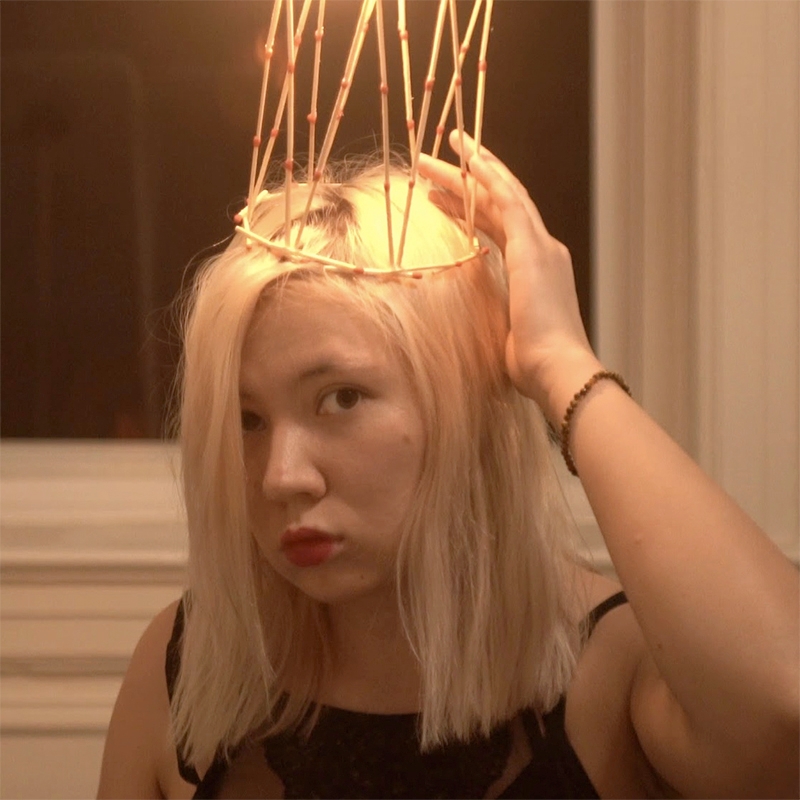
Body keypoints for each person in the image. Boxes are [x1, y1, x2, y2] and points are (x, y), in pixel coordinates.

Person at [97, 132, 799, 799]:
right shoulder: (189, 669)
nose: (281, 477)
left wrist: (560, 364)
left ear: (463, 405)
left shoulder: (614, 673)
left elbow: (784, 708)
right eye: (247, 418)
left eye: (341, 399)